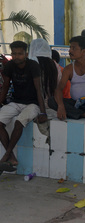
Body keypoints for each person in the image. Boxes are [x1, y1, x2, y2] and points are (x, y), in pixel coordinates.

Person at [0, 41, 47, 172]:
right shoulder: (10, 66)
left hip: (33, 104)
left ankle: (6, 156)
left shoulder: (33, 66)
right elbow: (5, 87)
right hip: (16, 102)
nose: (16, 56)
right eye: (14, 54)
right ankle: (11, 157)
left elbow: (39, 89)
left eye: (20, 54)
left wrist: (43, 112)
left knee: (19, 122)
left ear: (26, 54)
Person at [48, 36, 85, 120]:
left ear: (83, 51)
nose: (70, 51)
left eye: (74, 48)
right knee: (52, 101)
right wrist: (61, 106)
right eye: (70, 48)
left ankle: (76, 113)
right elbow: (59, 89)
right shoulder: (68, 69)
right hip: (74, 103)